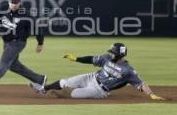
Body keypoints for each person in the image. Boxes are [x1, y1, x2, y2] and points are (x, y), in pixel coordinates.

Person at [30, 43, 165, 100]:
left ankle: (55, 94)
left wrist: (151, 94)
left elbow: (141, 84)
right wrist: (76, 58)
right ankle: (43, 88)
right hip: (91, 77)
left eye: (113, 52)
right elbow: (91, 59)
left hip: (99, 90)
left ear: (120, 55)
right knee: (64, 81)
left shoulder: (128, 71)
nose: (110, 54)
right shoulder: (106, 58)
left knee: (73, 93)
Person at [0, 0, 47, 93]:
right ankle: (40, 79)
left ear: (19, 3)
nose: (13, 5)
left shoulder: (26, 14)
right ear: (9, 2)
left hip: (18, 42)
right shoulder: (3, 9)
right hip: (7, 42)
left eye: (16, 3)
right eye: (12, 3)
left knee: (4, 63)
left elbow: (37, 28)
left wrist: (40, 43)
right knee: (13, 66)